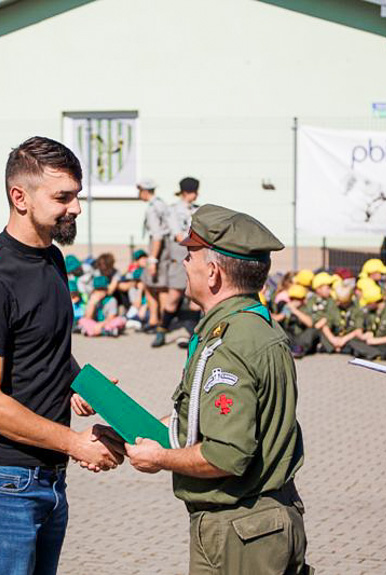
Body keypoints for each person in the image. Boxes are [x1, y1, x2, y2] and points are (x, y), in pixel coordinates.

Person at [0, 136, 123, 575]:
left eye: (77, 196)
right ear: (20, 197)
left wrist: (82, 386)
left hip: (47, 477)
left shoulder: (51, 259)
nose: (76, 208)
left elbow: (44, 347)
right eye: (63, 197)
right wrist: (75, 443)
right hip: (2, 484)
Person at [125, 204, 310, 575]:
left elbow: (226, 455)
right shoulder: (248, 327)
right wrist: (126, 430)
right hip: (253, 524)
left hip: (242, 530)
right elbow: (199, 421)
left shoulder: (230, 344)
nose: (183, 263)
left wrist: (159, 459)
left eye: (190, 255)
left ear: (212, 272)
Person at [153, 176, 199, 347]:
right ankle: (162, 330)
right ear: (186, 192)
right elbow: (178, 235)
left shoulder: (197, 209)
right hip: (179, 257)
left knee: (196, 299)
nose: (196, 195)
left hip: (196, 257)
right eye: (194, 191)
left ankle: (192, 335)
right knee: (174, 296)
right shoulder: (172, 210)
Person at [138, 178, 170, 334]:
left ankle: (158, 321)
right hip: (164, 249)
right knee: (157, 286)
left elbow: (157, 235)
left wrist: (152, 260)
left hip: (159, 249)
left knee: (155, 286)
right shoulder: (160, 203)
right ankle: (158, 320)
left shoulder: (153, 208)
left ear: (145, 190)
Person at [347, 281, 386, 360]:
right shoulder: (370, 312)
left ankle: (373, 353)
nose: (366, 306)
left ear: (374, 302)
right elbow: (366, 330)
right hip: (372, 341)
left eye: (368, 303)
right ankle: (381, 354)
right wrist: (366, 335)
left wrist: (376, 341)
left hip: (384, 341)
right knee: (353, 341)